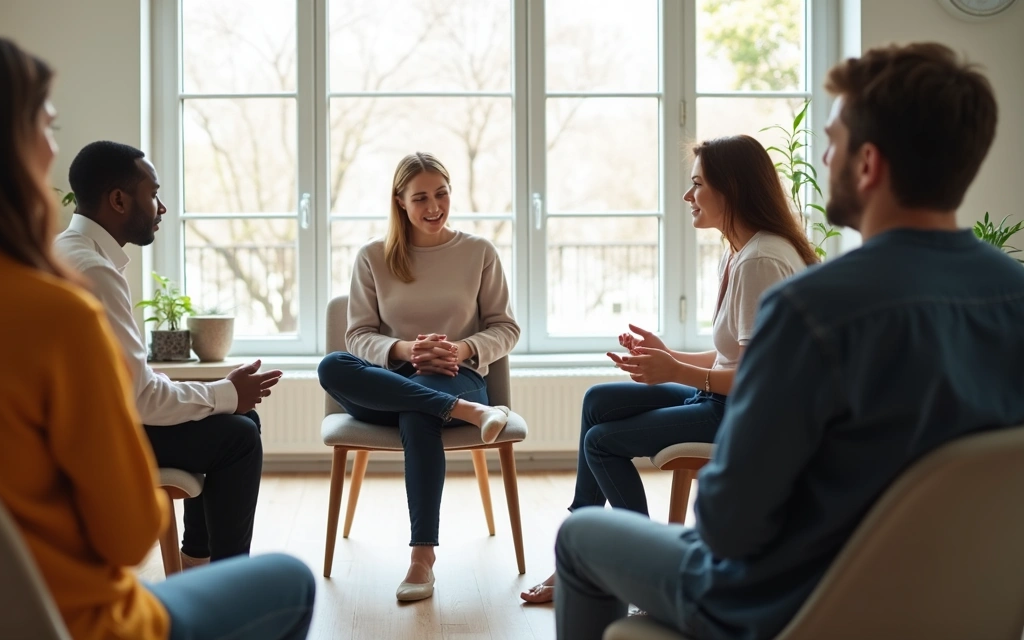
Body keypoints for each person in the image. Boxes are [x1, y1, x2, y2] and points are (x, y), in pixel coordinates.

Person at [0, 31, 313, 640]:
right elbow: (128, 534)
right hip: (64, 621)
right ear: (7, 148)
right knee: (291, 580)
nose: (53, 153)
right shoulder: (55, 313)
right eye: (46, 129)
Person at [552, 42, 1024, 640]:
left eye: (832, 141)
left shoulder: (812, 312)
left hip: (786, 601)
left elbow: (727, 526)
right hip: (962, 600)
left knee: (579, 536)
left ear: (868, 164)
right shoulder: (1014, 295)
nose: (824, 156)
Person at [522, 134, 817, 604]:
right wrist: (669, 357)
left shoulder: (762, 259)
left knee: (602, 443)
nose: (687, 196)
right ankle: (580, 549)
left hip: (745, 416)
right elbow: (734, 358)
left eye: (697, 184)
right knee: (597, 400)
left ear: (732, 190)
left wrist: (674, 371)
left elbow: (760, 378)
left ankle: (631, 568)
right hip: (722, 399)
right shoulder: (739, 250)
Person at [55, 140, 281, 570]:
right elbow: (140, 399)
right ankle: (228, 584)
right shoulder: (95, 271)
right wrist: (226, 393)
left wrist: (223, 395)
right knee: (240, 435)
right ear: (119, 200)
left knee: (238, 420)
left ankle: (198, 559)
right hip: (99, 438)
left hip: (89, 422)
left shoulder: (67, 250)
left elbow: (128, 382)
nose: (161, 207)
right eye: (153, 193)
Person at [317, 151, 520, 601]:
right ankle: (467, 412)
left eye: (442, 193)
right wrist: (406, 349)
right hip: (390, 379)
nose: (434, 207)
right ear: (400, 201)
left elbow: (506, 328)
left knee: (417, 415)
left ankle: (421, 557)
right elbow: (357, 335)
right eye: (421, 197)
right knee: (331, 366)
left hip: (455, 373)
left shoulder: (478, 252)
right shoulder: (373, 256)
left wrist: (460, 348)